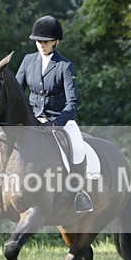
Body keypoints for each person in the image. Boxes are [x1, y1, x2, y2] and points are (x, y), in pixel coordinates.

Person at [15, 15, 93, 213]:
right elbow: (17, 93)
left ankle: (78, 192)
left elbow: (72, 103)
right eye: (38, 41)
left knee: (77, 145)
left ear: (55, 42)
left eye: (46, 41)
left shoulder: (64, 65)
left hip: (57, 118)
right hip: (31, 118)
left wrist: (56, 123)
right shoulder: (27, 61)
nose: (41, 45)